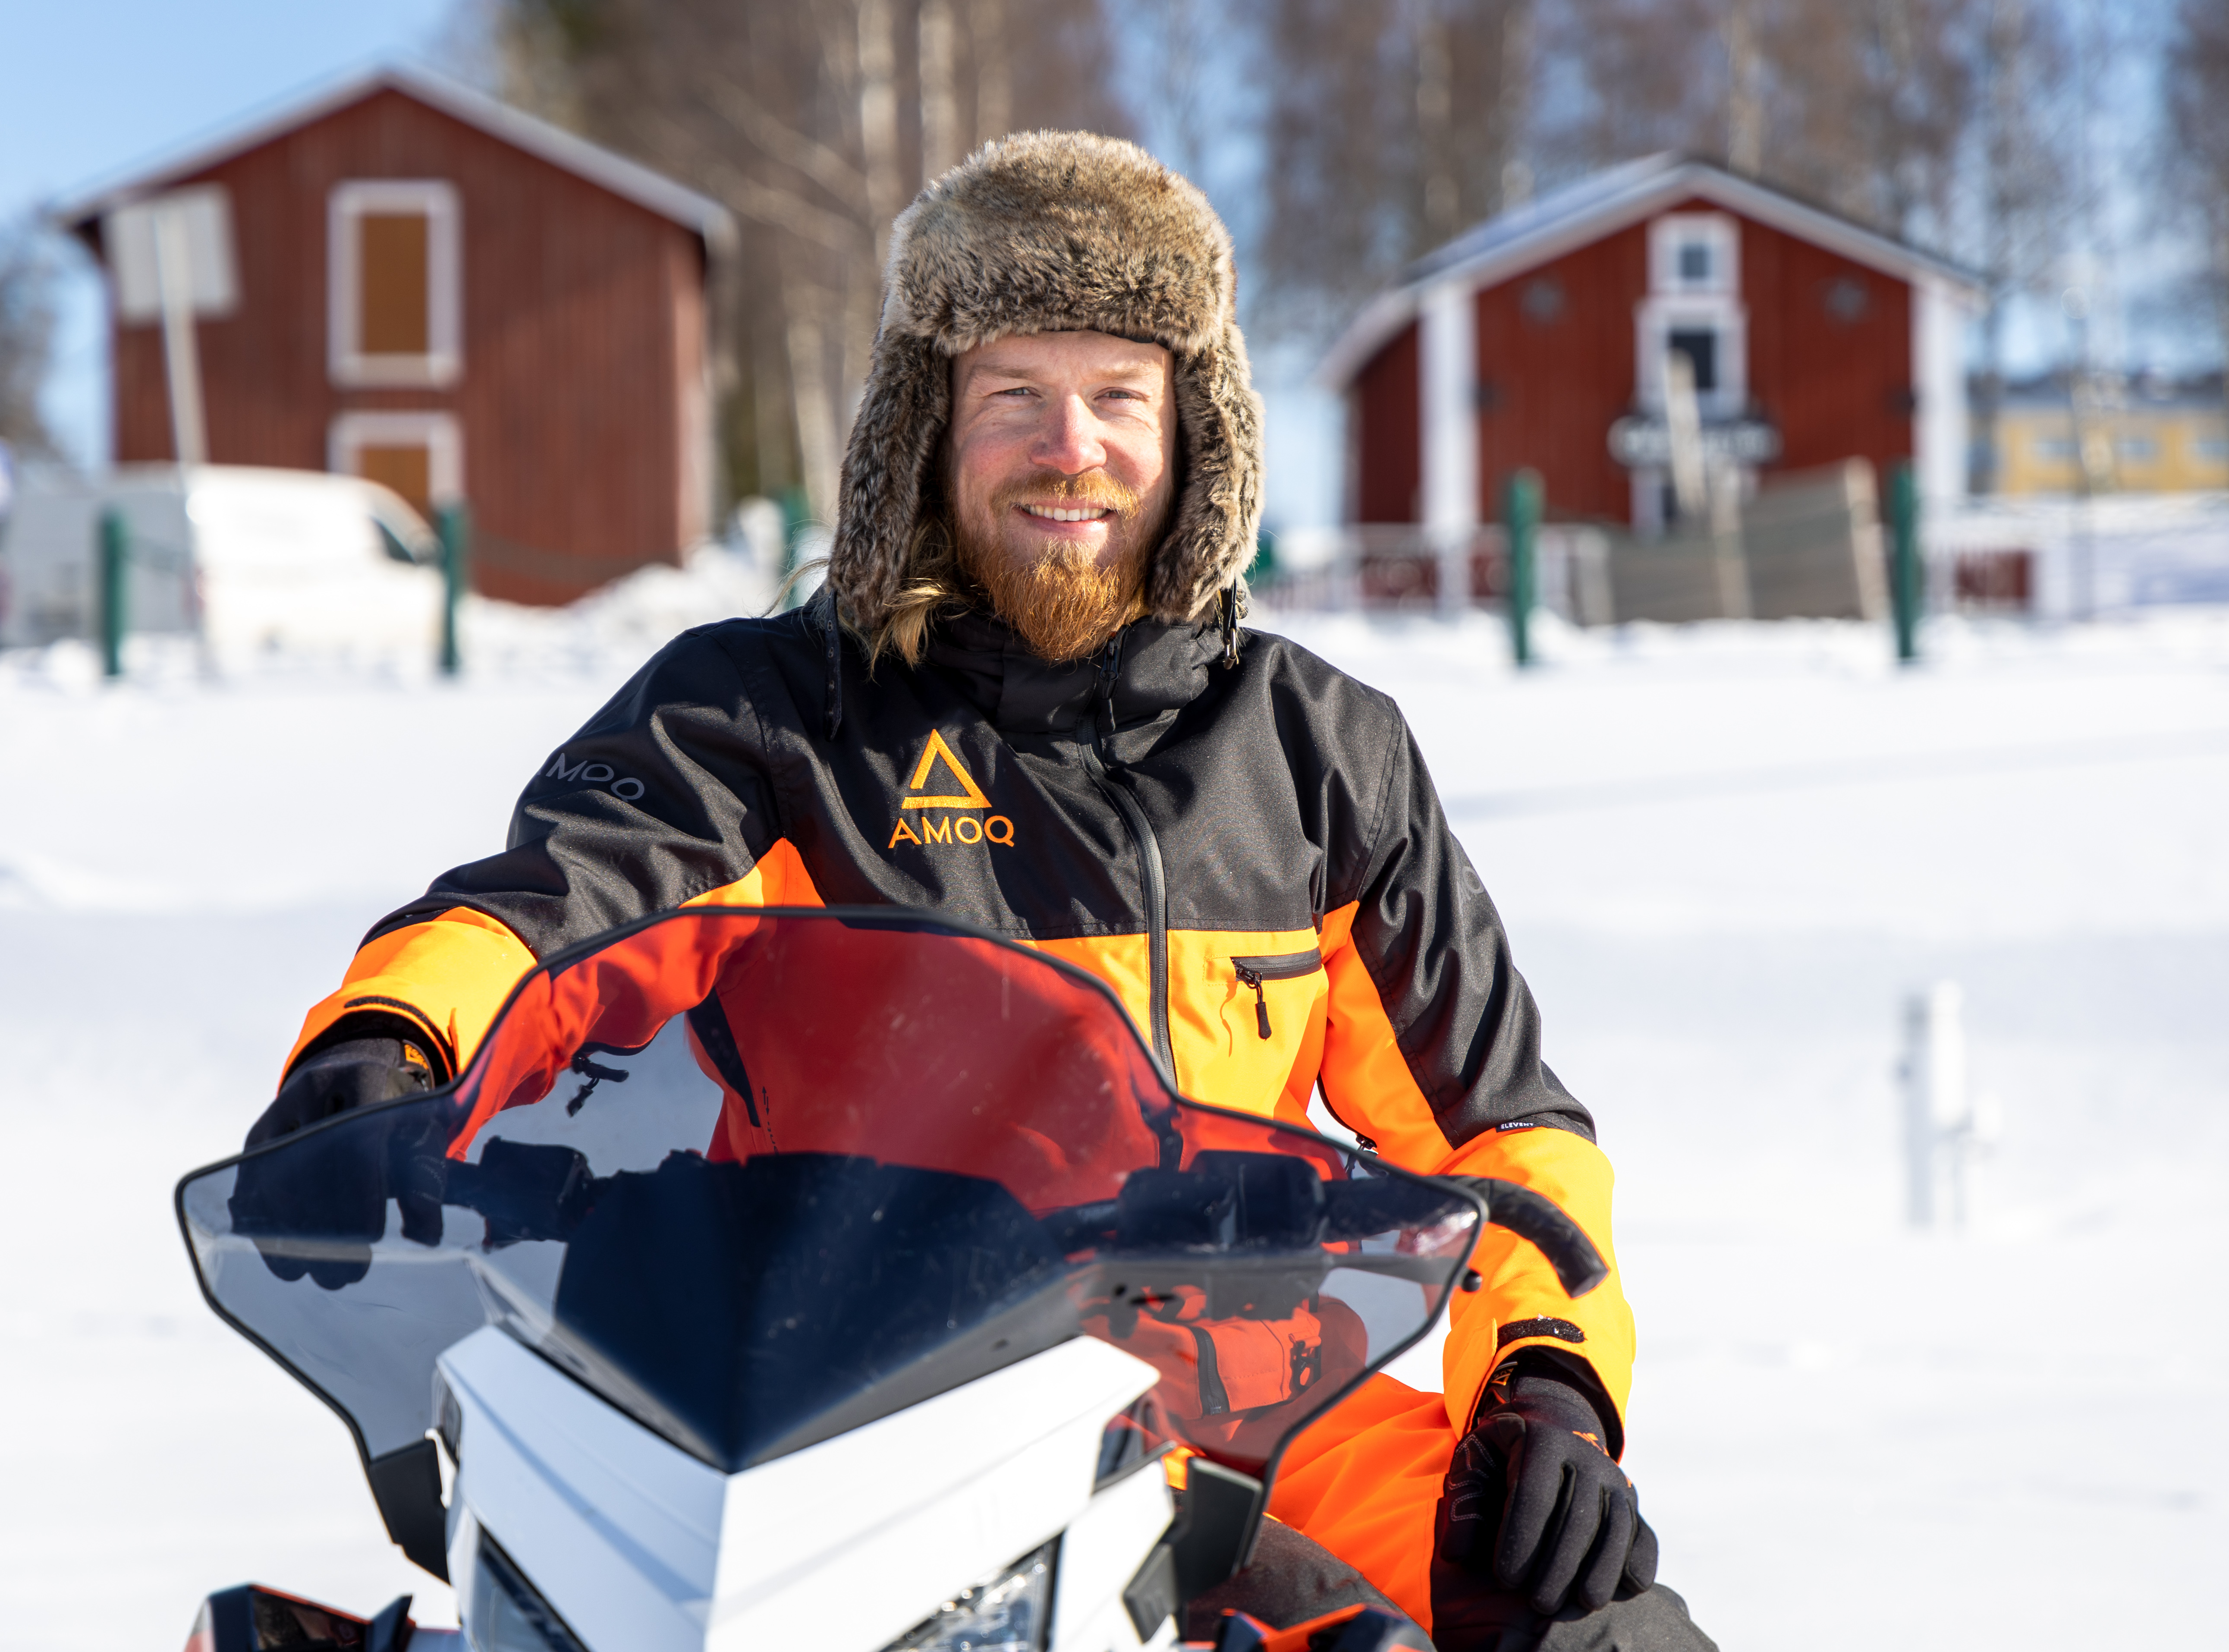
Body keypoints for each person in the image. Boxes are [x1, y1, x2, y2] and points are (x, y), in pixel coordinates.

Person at [251, 132, 1714, 1652]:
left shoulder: (1321, 752)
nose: (1067, 448)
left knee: (1599, 1632)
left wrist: (1545, 1378)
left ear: (1194, 433)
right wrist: (391, 1041)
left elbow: (1498, 1127)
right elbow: (548, 909)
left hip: (1247, 1414)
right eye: (1015, 397)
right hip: (847, 1406)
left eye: (1117, 400)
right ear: (927, 434)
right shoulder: (769, 720)